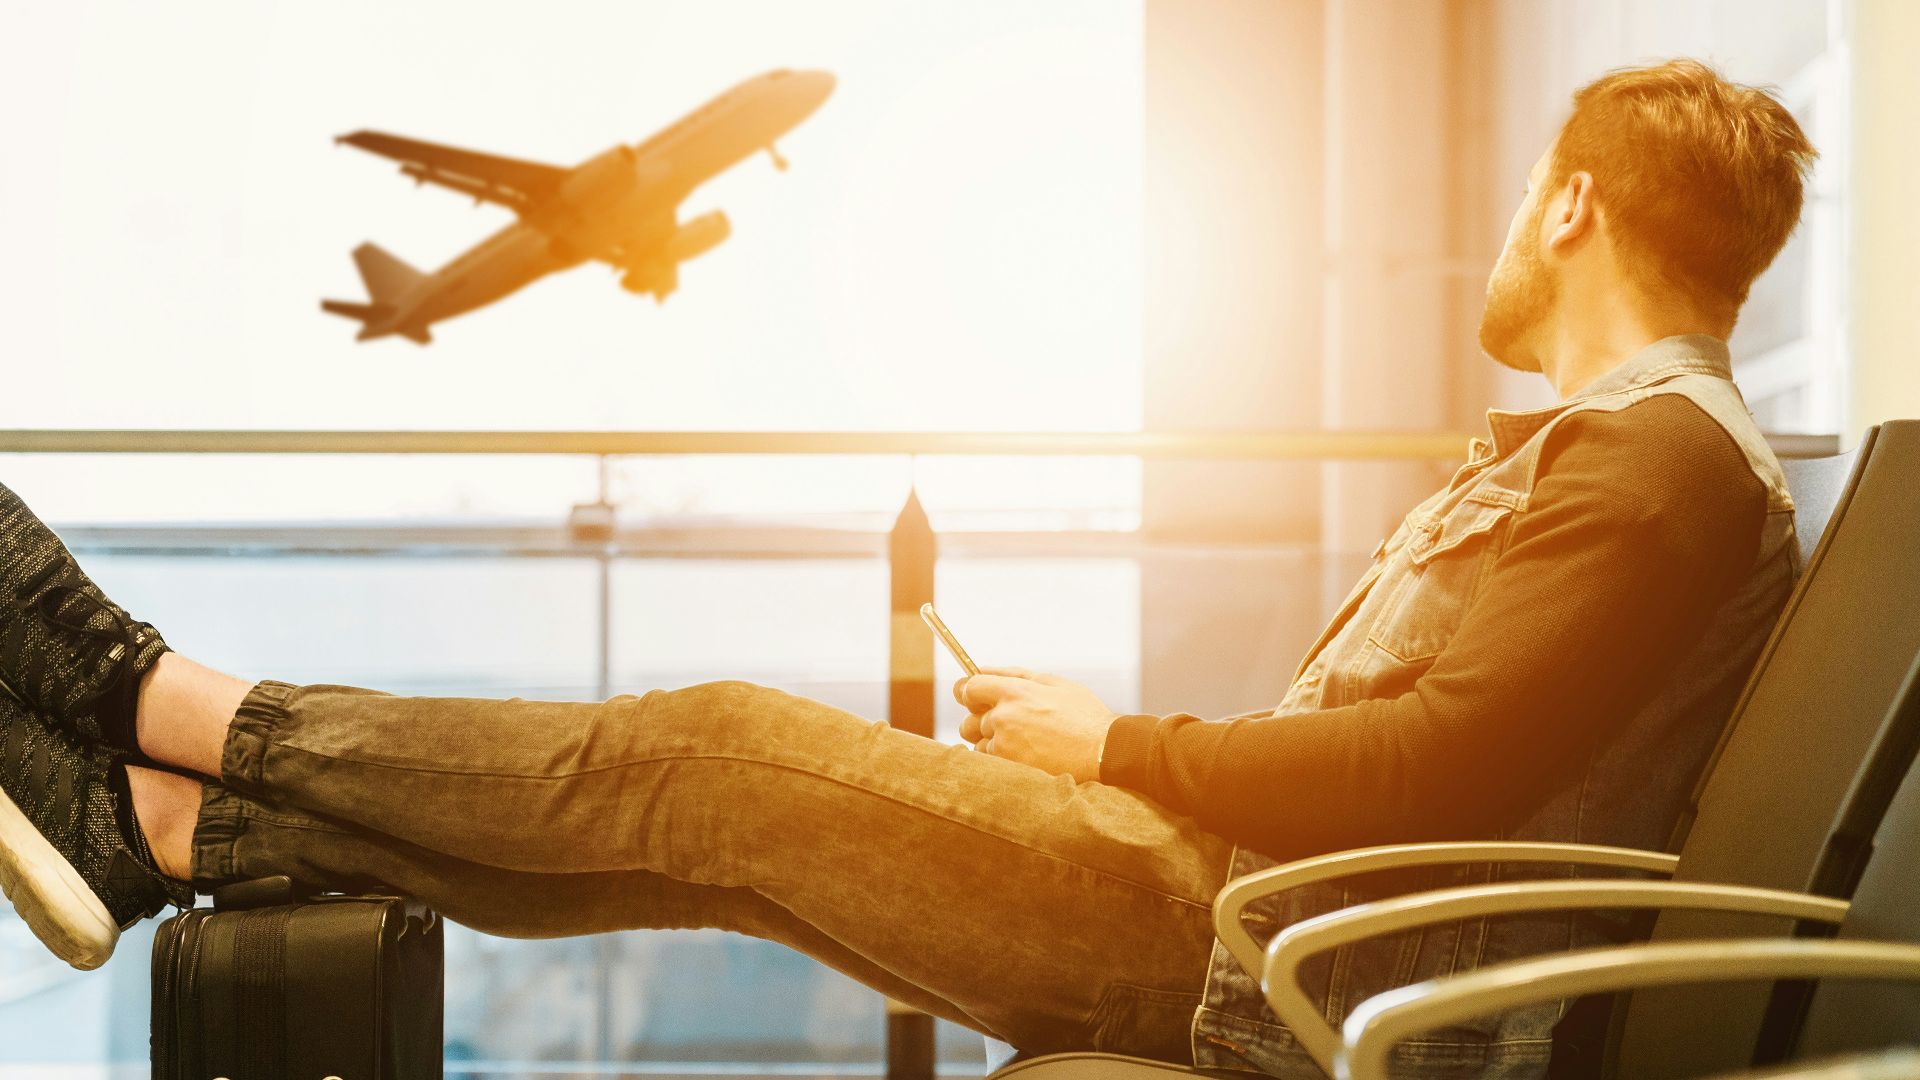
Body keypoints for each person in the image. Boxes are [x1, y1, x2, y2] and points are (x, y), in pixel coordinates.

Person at [0, 58, 1815, 1079]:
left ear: (1572, 204)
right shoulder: (1640, 467)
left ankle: (138, 694)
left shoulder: (1657, 469)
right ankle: (165, 831)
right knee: (694, 840)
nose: (1507, 232)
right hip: (1253, 919)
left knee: (692, 756)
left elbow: (1431, 774)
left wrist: (1112, 751)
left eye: (1523, 203)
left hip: (1251, 946)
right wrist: (1108, 755)